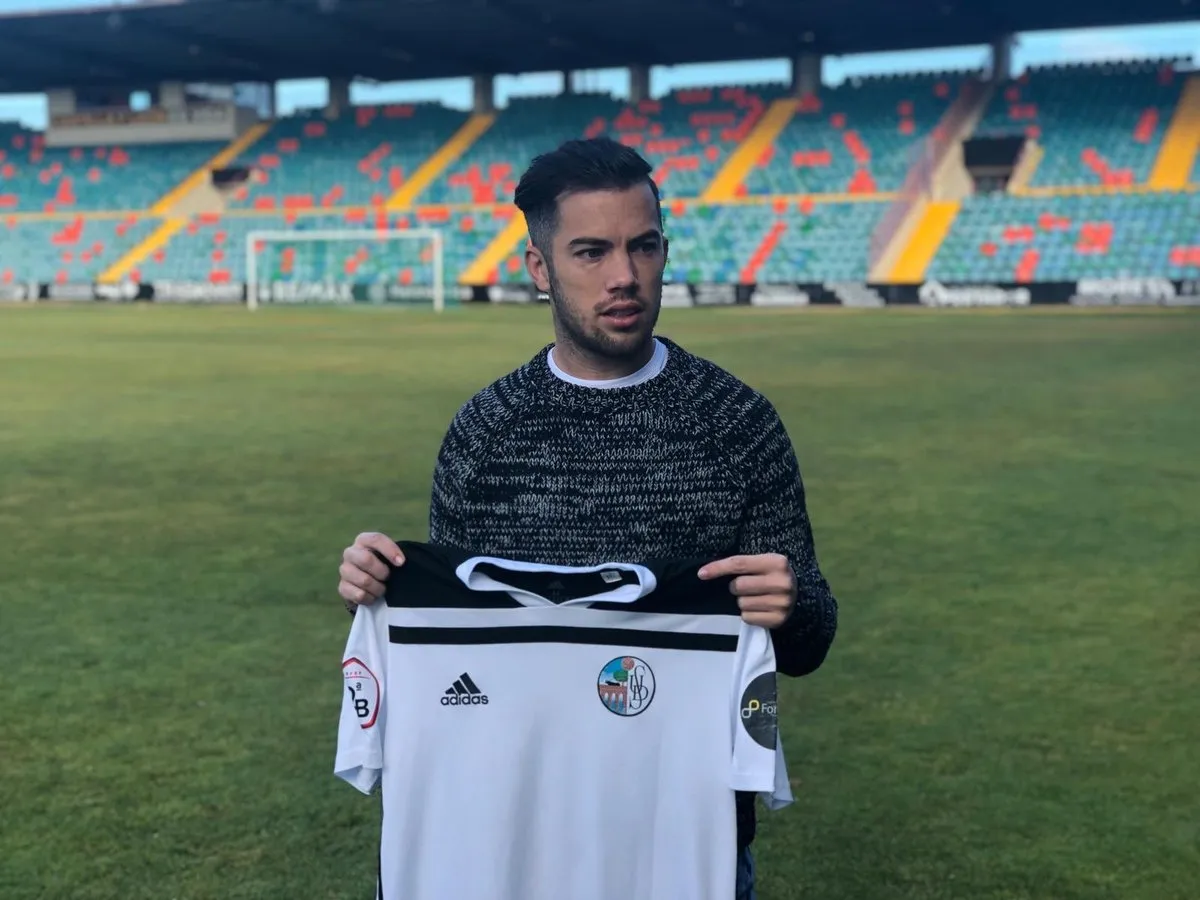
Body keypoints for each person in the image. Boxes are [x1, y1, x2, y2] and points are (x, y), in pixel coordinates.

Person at [336, 136, 838, 900]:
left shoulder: (739, 424)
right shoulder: (485, 432)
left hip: (684, 838)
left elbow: (806, 643)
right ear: (540, 269)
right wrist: (382, 589)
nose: (624, 277)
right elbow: (456, 654)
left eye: (643, 247)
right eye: (592, 252)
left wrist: (792, 604)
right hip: (511, 832)